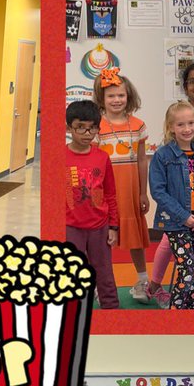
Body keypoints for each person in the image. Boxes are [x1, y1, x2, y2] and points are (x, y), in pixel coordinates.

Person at [147, 63, 194, 308]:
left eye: (190, 124)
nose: (187, 128)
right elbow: (159, 190)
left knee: (193, 272)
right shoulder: (164, 155)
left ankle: (186, 309)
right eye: (180, 125)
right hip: (177, 221)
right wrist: (183, 216)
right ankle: (177, 309)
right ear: (171, 127)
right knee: (188, 271)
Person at [93, 69, 151, 300]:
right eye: (111, 96)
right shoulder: (95, 126)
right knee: (100, 240)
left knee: (135, 237)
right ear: (101, 98)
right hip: (104, 193)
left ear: (129, 97)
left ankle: (143, 281)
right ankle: (100, 284)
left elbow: (142, 161)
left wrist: (143, 193)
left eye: (121, 95)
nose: (117, 100)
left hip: (130, 191)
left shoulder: (138, 125)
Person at [66, 99, 120, 309]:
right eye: (80, 127)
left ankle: (112, 310)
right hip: (71, 227)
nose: (87, 133)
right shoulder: (60, 156)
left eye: (92, 128)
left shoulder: (102, 157)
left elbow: (111, 194)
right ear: (69, 127)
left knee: (104, 272)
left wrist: (113, 226)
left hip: (100, 227)